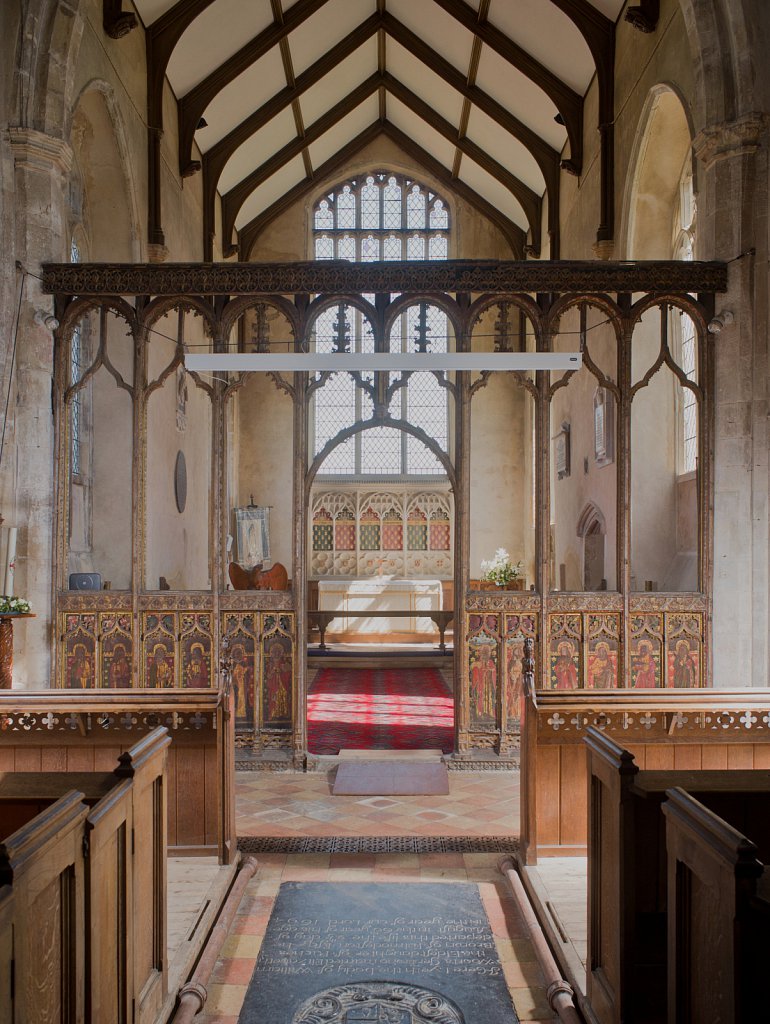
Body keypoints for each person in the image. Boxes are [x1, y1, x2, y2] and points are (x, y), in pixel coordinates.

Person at [265, 639, 291, 721]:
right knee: (273, 698)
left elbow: (289, 673)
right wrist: (273, 672)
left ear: (281, 653)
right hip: (273, 685)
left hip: (282, 684)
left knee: (283, 696)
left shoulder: (284, 663)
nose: (276, 654)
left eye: (278, 652)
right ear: (271, 653)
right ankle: (273, 713)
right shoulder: (270, 664)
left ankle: (283, 713)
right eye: (274, 652)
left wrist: (283, 670)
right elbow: (268, 676)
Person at [470, 642, 497, 719]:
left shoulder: (491, 662)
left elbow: (494, 671)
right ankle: (480, 712)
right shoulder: (477, 663)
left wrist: (491, 671)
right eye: (484, 652)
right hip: (480, 684)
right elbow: (475, 672)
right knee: (480, 697)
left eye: (487, 652)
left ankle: (489, 712)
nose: (485, 654)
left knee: (489, 698)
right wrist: (480, 670)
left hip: (488, 684)